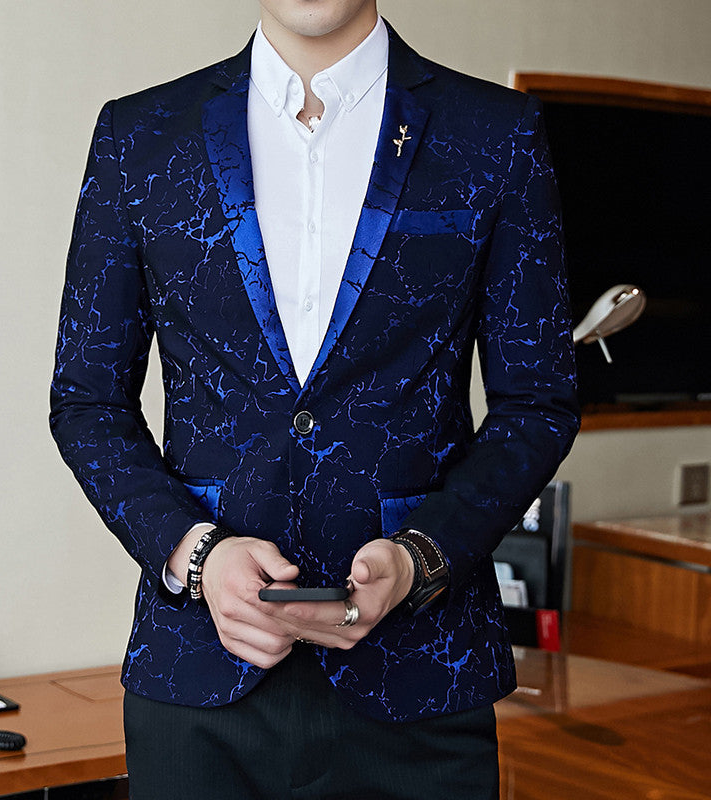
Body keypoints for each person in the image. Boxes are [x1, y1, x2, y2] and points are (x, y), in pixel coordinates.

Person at [50, 1, 580, 797]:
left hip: (422, 681)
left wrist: (421, 557)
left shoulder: (498, 133)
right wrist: (196, 555)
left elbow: (538, 402)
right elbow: (87, 401)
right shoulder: (139, 135)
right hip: (199, 683)